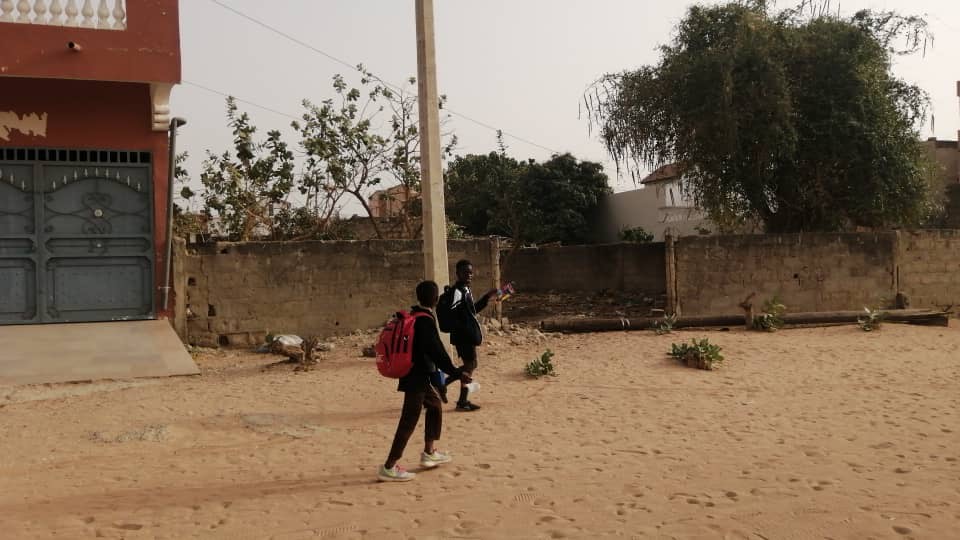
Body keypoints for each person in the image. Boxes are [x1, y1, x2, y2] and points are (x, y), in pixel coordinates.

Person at [378, 280, 471, 482]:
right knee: (408, 422)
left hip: (417, 376)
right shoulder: (425, 321)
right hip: (416, 378)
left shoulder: (416, 316)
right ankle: (389, 466)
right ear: (435, 299)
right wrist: (455, 372)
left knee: (435, 406)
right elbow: (436, 351)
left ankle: (429, 452)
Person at [445, 259, 498, 412]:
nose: (469, 275)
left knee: (471, 366)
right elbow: (453, 314)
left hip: (467, 335)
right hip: (463, 336)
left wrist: (487, 297)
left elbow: (472, 310)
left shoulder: (465, 290)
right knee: (470, 366)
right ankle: (449, 390)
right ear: (457, 274)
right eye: (465, 272)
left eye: (470, 272)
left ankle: (454, 393)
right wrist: (464, 327)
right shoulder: (457, 292)